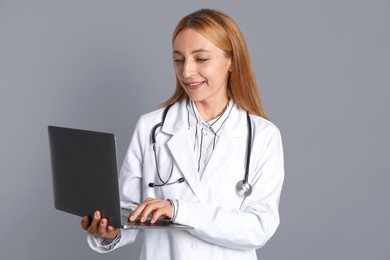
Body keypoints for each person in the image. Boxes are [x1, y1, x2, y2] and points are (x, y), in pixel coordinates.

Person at [81, 8, 284, 260]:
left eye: (200, 59)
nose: (187, 71)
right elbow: (129, 213)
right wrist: (108, 231)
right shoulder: (151, 128)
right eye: (179, 59)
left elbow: (258, 228)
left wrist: (177, 210)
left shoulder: (263, 136)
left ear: (232, 61)